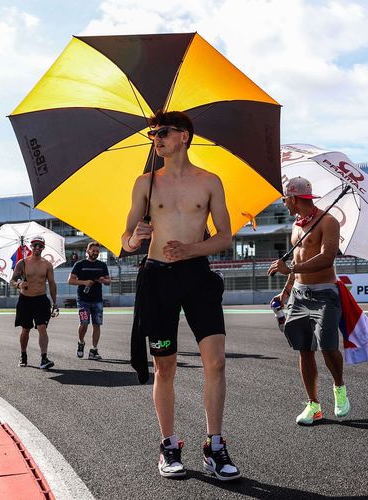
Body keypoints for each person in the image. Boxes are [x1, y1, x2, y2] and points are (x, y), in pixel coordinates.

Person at [121, 110, 240, 481]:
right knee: (165, 366)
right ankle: (169, 444)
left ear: (184, 136)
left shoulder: (209, 181)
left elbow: (225, 236)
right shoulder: (145, 183)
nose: (156, 138)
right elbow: (124, 241)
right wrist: (135, 237)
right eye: (153, 133)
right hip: (157, 278)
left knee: (216, 362)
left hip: (197, 275)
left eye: (163, 132)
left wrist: (190, 251)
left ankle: (214, 446)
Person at [267, 176, 351, 426]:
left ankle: (339, 388)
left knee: (328, 347)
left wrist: (290, 268)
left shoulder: (328, 221)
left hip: (325, 293)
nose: (284, 204)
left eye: (285, 199)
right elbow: (297, 266)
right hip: (299, 295)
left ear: (293, 198)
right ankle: (313, 405)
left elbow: (327, 258)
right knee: (304, 349)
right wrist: (285, 291)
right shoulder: (296, 226)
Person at [10, 236, 59, 369]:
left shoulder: (47, 264)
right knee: (25, 330)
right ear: (31, 246)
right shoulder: (22, 263)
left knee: (42, 328)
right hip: (25, 300)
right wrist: (19, 283)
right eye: (35, 245)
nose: (37, 248)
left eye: (40, 246)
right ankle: (23, 355)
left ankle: (44, 358)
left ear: (43, 247)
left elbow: (52, 284)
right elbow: (12, 280)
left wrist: (55, 303)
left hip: (41, 300)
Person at [67, 241, 110, 360]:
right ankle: (81, 342)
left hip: (97, 300)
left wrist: (103, 280)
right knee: (84, 323)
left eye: (97, 251)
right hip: (83, 300)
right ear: (87, 251)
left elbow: (108, 281)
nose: (95, 253)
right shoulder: (79, 264)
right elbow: (70, 280)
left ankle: (94, 350)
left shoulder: (102, 265)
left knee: (97, 325)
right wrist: (84, 282)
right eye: (93, 250)